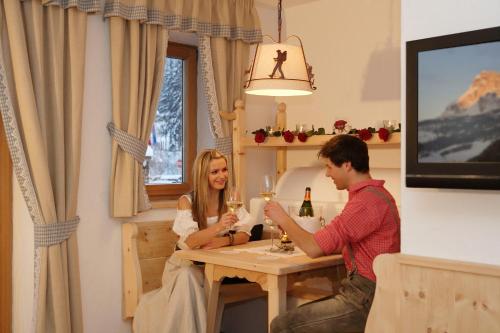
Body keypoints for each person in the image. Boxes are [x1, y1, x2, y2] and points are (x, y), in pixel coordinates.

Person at [264, 134, 400, 333]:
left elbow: (313, 248)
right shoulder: (376, 195)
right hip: (373, 291)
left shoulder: (365, 202)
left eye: (329, 167)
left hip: (366, 297)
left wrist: (283, 218)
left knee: (282, 326)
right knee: (299, 316)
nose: (327, 174)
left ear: (346, 165)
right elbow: (338, 242)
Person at [133, 149, 255, 333]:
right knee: (187, 277)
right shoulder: (187, 201)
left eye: (224, 170)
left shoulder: (231, 198)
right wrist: (218, 228)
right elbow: (191, 241)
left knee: (195, 279)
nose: (222, 176)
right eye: (215, 172)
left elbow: (245, 234)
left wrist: (223, 241)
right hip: (184, 265)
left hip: (215, 266)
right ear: (202, 175)